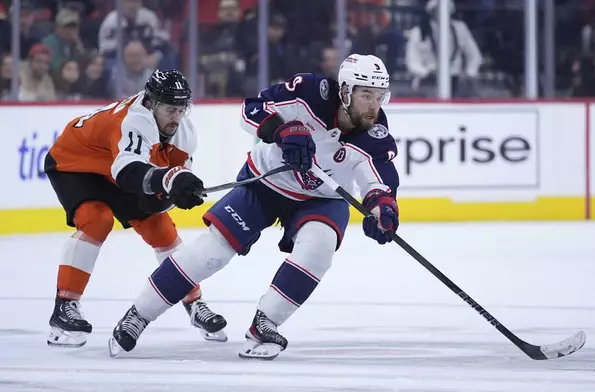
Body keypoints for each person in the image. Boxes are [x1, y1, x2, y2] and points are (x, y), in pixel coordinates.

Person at [108, 54, 400, 360]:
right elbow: (252, 109)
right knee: (211, 253)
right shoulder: (309, 92)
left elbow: (379, 184)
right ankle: (138, 315)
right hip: (266, 183)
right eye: (366, 95)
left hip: (322, 198)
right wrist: (282, 130)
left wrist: (383, 211)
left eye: (380, 96)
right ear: (344, 91)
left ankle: (266, 323)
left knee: (319, 248)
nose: (373, 105)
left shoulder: (376, 135)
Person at [45, 69, 227, 348]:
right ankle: (64, 306)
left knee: (161, 228)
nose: (176, 118)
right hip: (76, 164)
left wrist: (173, 193)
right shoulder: (134, 119)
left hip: (113, 168)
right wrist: (169, 181)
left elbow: (156, 192)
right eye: (170, 109)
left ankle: (194, 303)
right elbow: (128, 172)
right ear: (152, 103)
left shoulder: (185, 131)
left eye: (181, 109)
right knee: (97, 219)